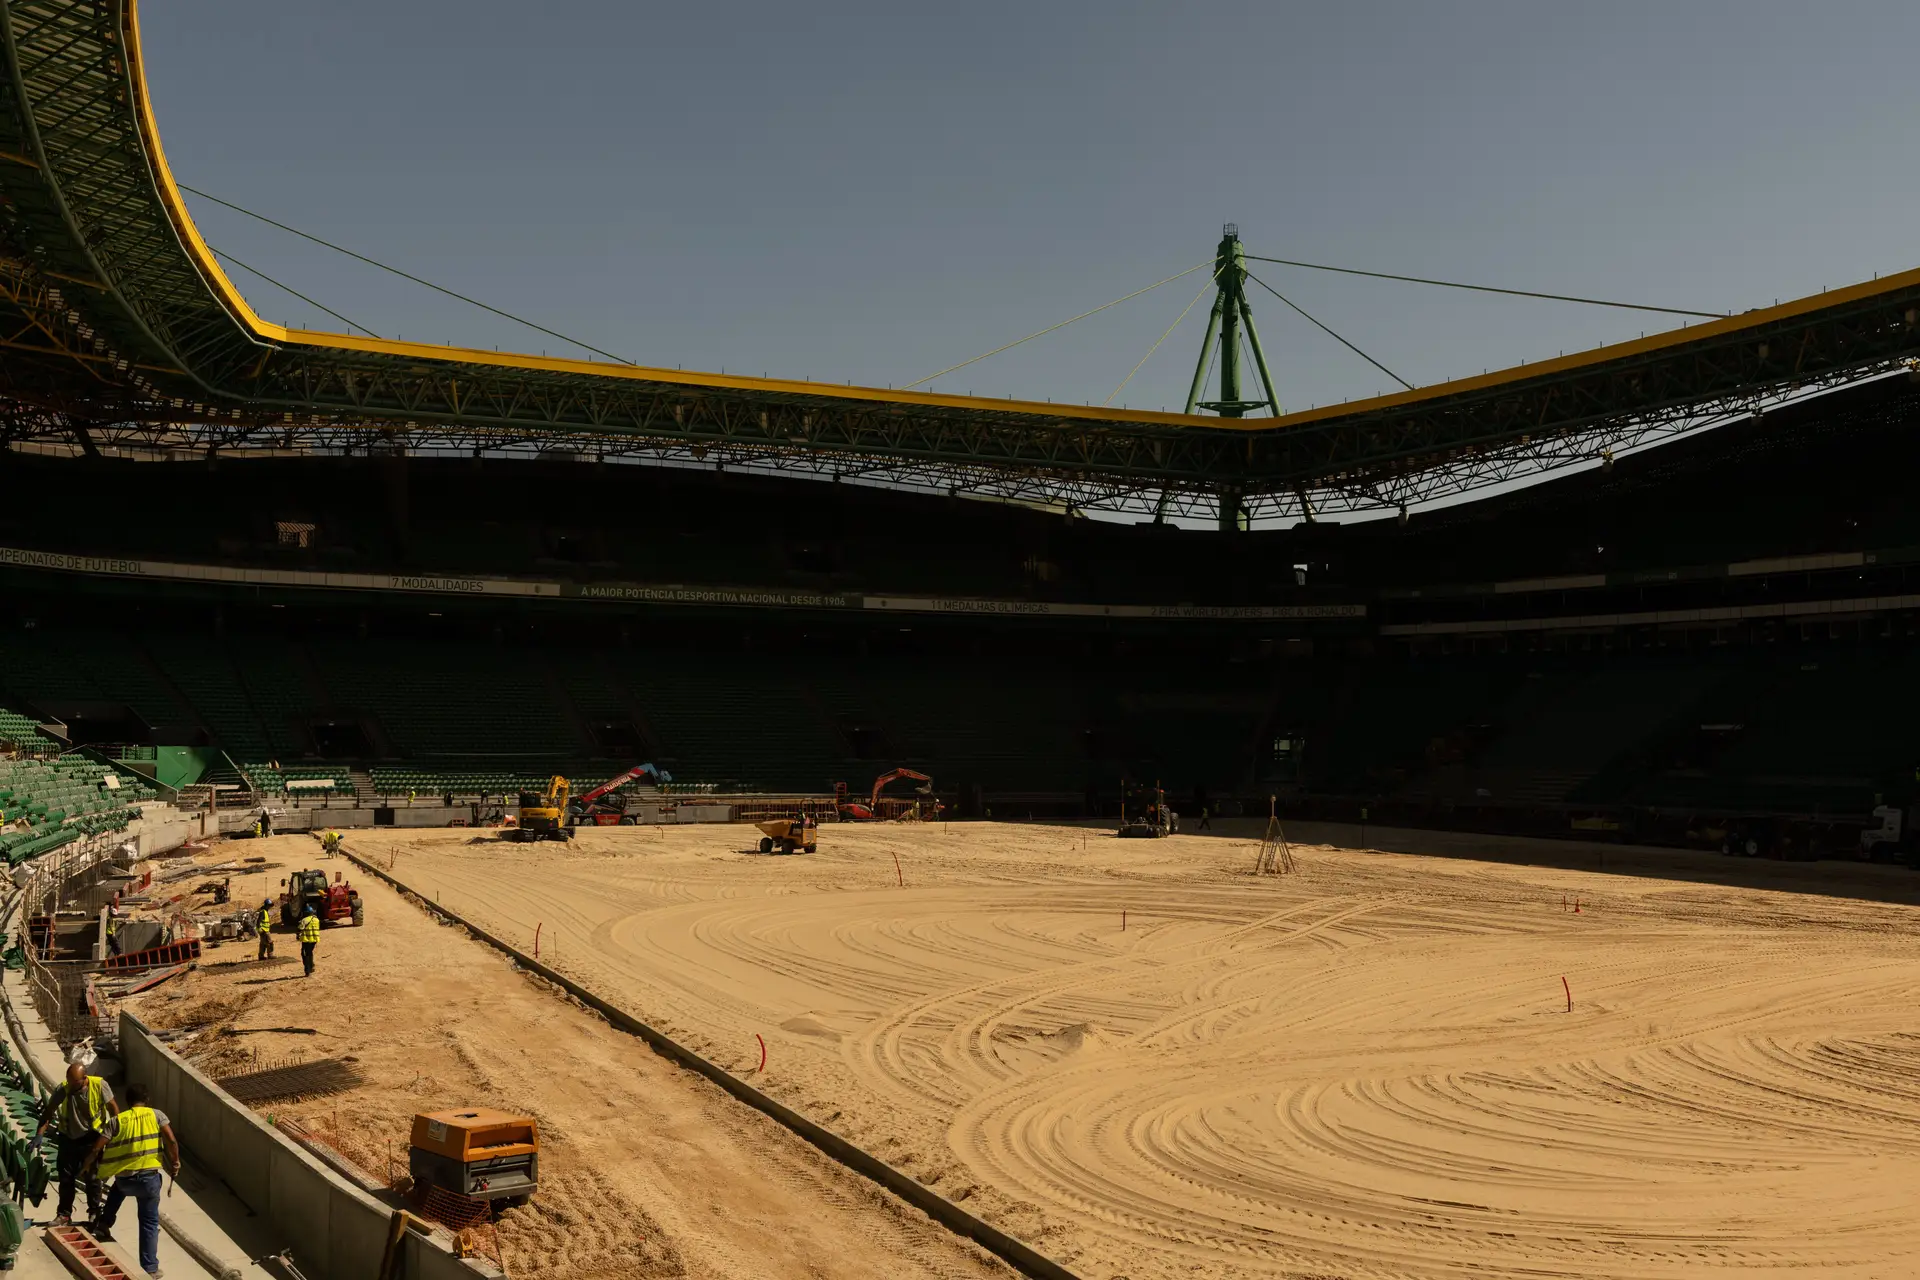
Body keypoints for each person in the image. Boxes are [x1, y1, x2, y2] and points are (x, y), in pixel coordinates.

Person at [88, 1081, 179, 1279]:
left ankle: (104, 1223)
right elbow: (171, 1140)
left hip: (125, 1181)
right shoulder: (157, 1115)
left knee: (117, 1188)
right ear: (147, 1100)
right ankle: (150, 1268)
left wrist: (87, 1166)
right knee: (148, 1222)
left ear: (127, 1102)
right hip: (148, 1181)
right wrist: (176, 1162)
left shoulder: (117, 1121)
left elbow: (97, 1147)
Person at [35, 1061, 117, 1226]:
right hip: (68, 1138)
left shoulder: (99, 1085)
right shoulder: (63, 1089)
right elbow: (49, 1111)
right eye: (70, 1082)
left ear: (84, 1079)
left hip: (91, 1139)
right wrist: (39, 1134)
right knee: (66, 1179)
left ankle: (94, 1213)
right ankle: (64, 1214)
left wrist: (113, 1137)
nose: (71, 1086)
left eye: (75, 1083)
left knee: (93, 1179)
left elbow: (113, 1110)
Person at [298, 906, 321, 977]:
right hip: (314, 940)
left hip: (306, 940)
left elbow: (300, 928)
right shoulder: (317, 920)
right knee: (310, 953)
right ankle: (311, 966)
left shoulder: (304, 920)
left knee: (305, 955)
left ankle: (307, 971)